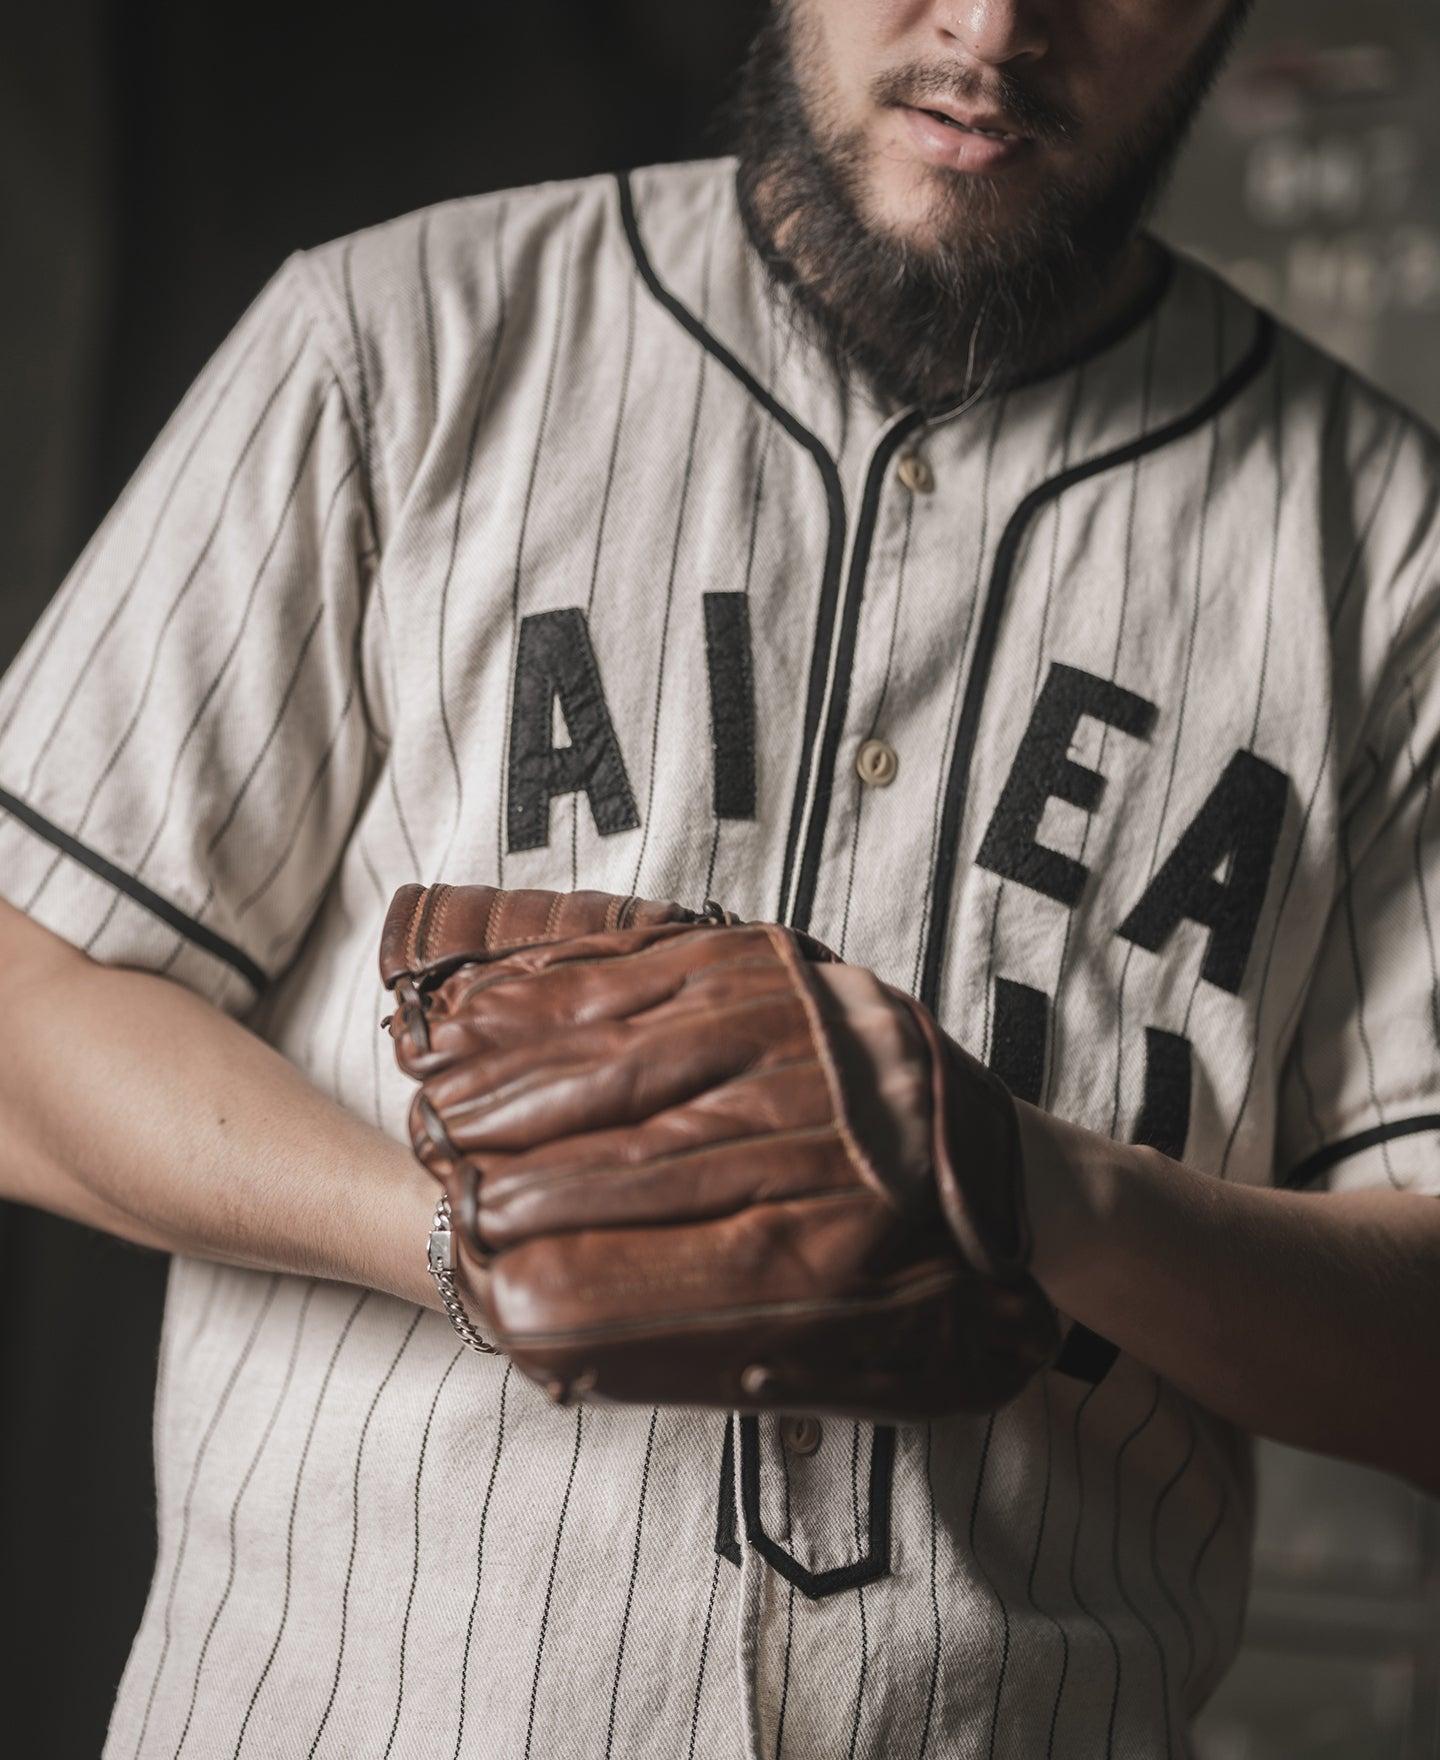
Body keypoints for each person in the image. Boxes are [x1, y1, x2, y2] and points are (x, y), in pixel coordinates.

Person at [1, 0, 1437, 1753]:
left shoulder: (1389, 550)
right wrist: (486, 1240)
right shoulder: (395, 342)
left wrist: (1031, 1192)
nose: (988, 27)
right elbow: (23, 1009)